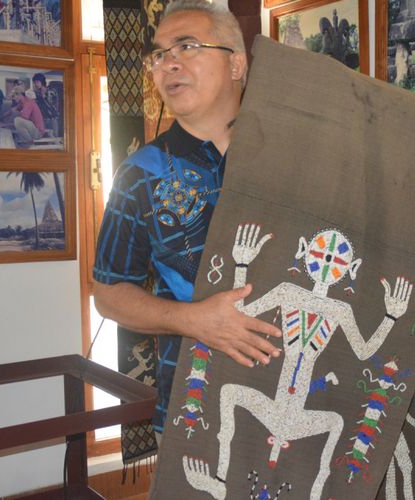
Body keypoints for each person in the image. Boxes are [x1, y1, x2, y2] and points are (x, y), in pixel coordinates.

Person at [92, 0, 282, 436]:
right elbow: (108, 294)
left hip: (298, 393)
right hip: (192, 408)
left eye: (187, 46)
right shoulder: (140, 174)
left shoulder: (290, 156)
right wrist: (193, 319)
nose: (168, 64)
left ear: (236, 65)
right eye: (159, 55)